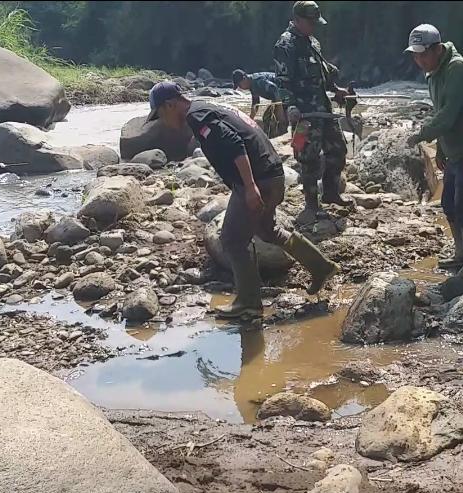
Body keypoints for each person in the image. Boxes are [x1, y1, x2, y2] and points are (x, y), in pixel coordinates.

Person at [147, 81, 338, 320]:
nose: (161, 121)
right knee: (268, 230)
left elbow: (235, 144)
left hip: (259, 181)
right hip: (272, 174)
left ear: (170, 104)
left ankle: (248, 302)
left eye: (159, 114)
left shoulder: (198, 117)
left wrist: (249, 187)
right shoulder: (205, 107)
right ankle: (321, 267)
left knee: (232, 239)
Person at [405, 25, 463, 291]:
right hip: (455, 147)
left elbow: (449, 114)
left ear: (437, 49)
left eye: (423, 54)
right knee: (448, 202)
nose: (418, 60)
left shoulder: (457, 68)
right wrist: (442, 149)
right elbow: (440, 111)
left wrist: (420, 134)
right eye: (415, 55)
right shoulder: (432, 74)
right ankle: (460, 254)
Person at [274, 0, 351, 218]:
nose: (313, 26)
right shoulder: (285, 44)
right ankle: (311, 205)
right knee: (308, 158)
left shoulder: (313, 43)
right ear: (297, 20)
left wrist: (336, 90)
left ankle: (330, 193)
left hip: (323, 109)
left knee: (338, 150)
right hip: (304, 114)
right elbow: (282, 81)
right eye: (310, 22)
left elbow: (323, 74)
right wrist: (290, 107)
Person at [232, 69, 287, 137]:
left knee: (274, 119)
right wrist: (249, 121)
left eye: (240, 85)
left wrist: (279, 111)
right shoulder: (251, 85)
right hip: (277, 98)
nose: (240, 88)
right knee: (266, 118)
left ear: (245, 78)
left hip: (285, 91)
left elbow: (275, 89)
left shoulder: (258, 81)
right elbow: (255, 104)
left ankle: (283, 130)